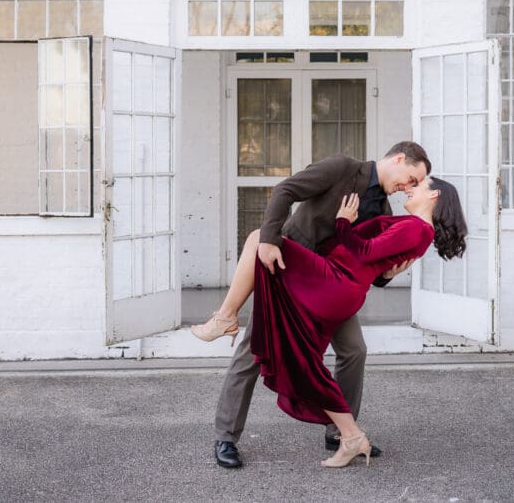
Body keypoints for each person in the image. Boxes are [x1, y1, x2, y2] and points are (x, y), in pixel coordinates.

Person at [192, 175, 468, 467]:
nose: (409, 187)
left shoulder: (412, 226)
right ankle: (343, 434)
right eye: (410, 180)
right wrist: (380, 265)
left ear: (435, 195)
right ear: (399, 162)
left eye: (417, 184)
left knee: (258, 241)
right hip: (327, 278)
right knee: (291, 355)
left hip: (331, 283)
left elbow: (363, 253)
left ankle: (225, 318)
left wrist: (343, 222)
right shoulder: (347, 171)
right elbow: (366, 254)